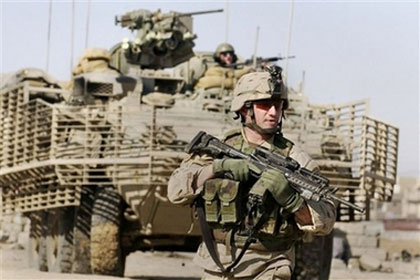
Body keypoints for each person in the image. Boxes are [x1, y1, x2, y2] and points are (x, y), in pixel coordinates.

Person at [168, 68, 336, 279]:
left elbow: (327, 220)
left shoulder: (295, 160)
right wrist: (216, 169)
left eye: (278, 105)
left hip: (270, 264)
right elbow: (175, 191)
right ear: (245, 108)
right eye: (265, 105)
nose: (273, 112)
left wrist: (293, 201)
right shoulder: (220, 148)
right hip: (218, 263)